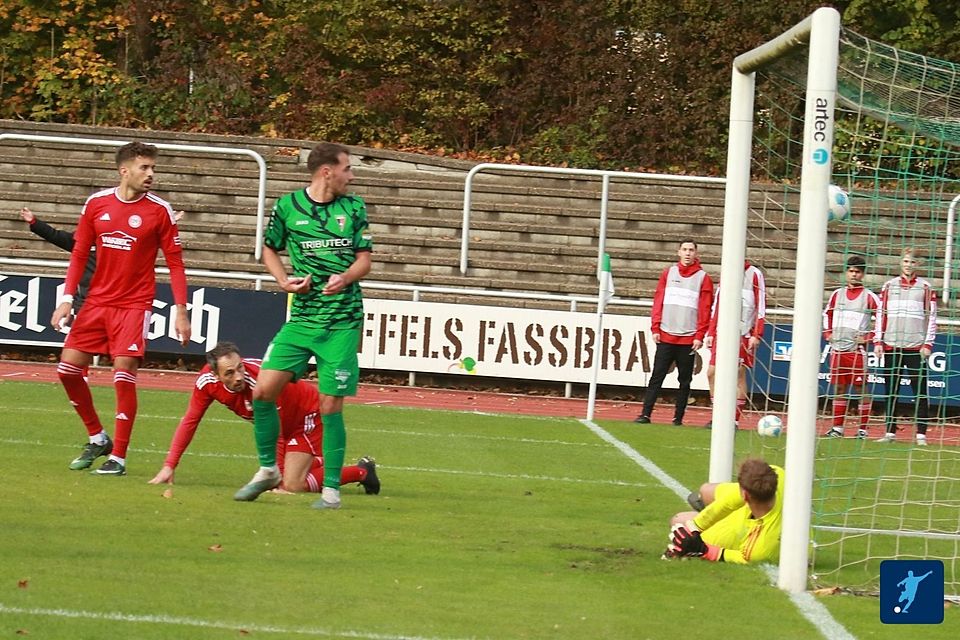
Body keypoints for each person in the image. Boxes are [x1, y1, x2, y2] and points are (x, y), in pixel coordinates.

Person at [234, 142, 372, 509]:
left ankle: (331, 491)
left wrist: (344, 278)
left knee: (330, 405)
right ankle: (267, 470)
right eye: (347, 168)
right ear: (327, 171)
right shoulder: (287, 206)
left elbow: (365, 261)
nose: (352, 175)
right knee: (263, 391)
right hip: (302, 319)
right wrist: (282, 280)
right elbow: (268, 248)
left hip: (342, 321)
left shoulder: (354, 207)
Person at [50, 141, 191, 476]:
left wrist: (181, 310)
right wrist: (67, 298)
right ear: (124, 170)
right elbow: (80, 253)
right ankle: (98, 437)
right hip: (97, 301)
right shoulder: (96, 204)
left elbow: (175, 264)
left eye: (153, 168)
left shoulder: (159, 211)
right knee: (67, 370)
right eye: (145, 168)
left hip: (134, 304)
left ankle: (120, 458)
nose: (151, 174)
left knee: (123, 372)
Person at [148, 342, 380, 495]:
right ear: (215, 375)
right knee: (287, 478)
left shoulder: (261, 383)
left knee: (292, 485)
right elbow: (190, 420)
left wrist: (275, 475)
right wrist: (169, 466)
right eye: (229, 373)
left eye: (240, 368)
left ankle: (362, 472)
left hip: (307, 416)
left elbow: (274, 432)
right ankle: (315, 461)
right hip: (283, 425)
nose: (238, 376)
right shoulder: (206, 383)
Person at [634, 239, 713, 426]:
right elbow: (658, 301)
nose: (687, 253)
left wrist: (699, 335)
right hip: (666, 335)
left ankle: (678, 418)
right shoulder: (668, 273)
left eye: (691, 250)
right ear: (679, 252)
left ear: (696, 253)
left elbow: (705, 309)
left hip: (688, 338)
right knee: (656, 377)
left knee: (684, 381)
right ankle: (645, 414)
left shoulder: (703, 278)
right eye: (684, 249)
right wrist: (655, 327)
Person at [664, 458, 784, 564]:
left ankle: (712, 520)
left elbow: (737, 557)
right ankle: (705, 510)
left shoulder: (758, 549)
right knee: (705, 490)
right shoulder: (778, 474)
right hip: (754, 507)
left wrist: (701, 549)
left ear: (745, 495)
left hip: (744, 531)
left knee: (677, 520)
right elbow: (726, 504)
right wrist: (694, 527)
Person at [874, 248, 937, 446]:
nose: (908, 265)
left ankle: (921, 435)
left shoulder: (925, 287)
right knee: (890, 391)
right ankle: (890, 433)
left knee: (919, 392)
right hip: (892, 345)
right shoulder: (888, 286)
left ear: (917, 265)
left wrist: (928, 343)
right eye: (906, 261)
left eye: (912, 262)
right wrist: (878, 341)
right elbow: (880, 315)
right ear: (901, 263)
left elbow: (931, 317)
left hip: (916, 347)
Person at [821, 255, 880, 439]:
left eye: (858, 272)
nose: (854, 275)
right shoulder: (836, 294)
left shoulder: (869, 297)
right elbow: (827, 314)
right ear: (846, 272)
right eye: (851, 271)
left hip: (856, 351)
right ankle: (837, 428)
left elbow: (882, 319)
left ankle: (863, 429)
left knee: (861, 389)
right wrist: (828, 334)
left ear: (862, 274)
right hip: (838, 350)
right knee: (839, 388)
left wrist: (869, 337)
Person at [703, 260, 766, 429]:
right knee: (712, 373)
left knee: (738, 374)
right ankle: (718, 416)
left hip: (743, 333)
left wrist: (756, 334)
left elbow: (761, 305)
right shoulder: (728, 269)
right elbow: (718, 303)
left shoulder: (754, 274)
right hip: (722, 332)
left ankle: (734, 419)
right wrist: (711, 331)